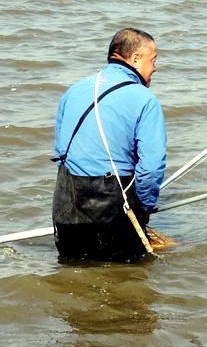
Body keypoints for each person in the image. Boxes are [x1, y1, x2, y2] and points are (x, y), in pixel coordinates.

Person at [52, 28, 166, 262]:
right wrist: (145, 208)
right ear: (135, 59)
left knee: (73, 271)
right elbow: (151, 168)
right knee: (126, 278)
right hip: (112, 209)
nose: (155, 68)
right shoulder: (145, 99)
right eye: (153, 60)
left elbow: (61, 151)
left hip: (66, 203)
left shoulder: (73, 90)